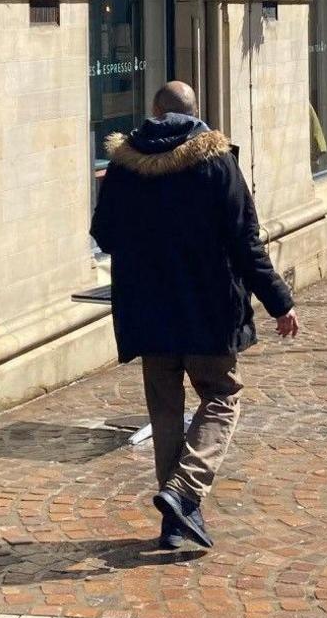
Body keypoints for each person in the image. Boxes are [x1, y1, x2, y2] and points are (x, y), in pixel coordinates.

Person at [91, 81, 296, 550]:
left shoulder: (125, 168)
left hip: (147, 311)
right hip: (207, 309)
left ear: (154, 112)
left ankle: (176, 518)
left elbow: (104, 235)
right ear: (194, 114)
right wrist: (279, 301)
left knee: (165, 412)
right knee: (222, 396)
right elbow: (246, 242)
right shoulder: (216, 163)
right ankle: (184, 492)